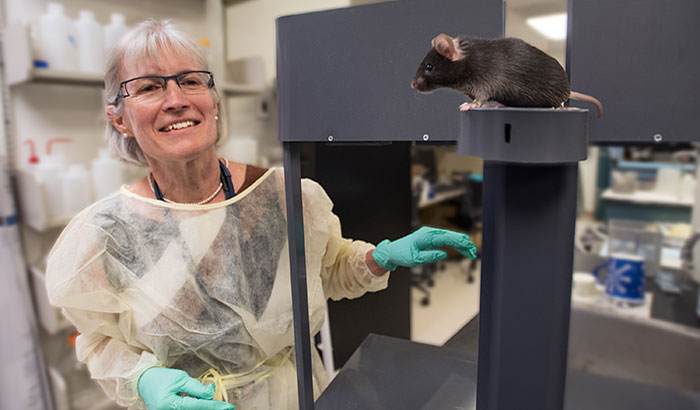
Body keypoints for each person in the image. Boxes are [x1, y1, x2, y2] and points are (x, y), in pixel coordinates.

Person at [46, 19, 477, 410]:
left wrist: (379, 257)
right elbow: (99, 341)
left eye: (190, 81)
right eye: (148, 87)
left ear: (213, 101)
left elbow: (327, 270)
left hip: (296, 397)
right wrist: (142, 379)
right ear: (118, 119)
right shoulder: (104, 234)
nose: (175, 100)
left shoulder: (286, 195)